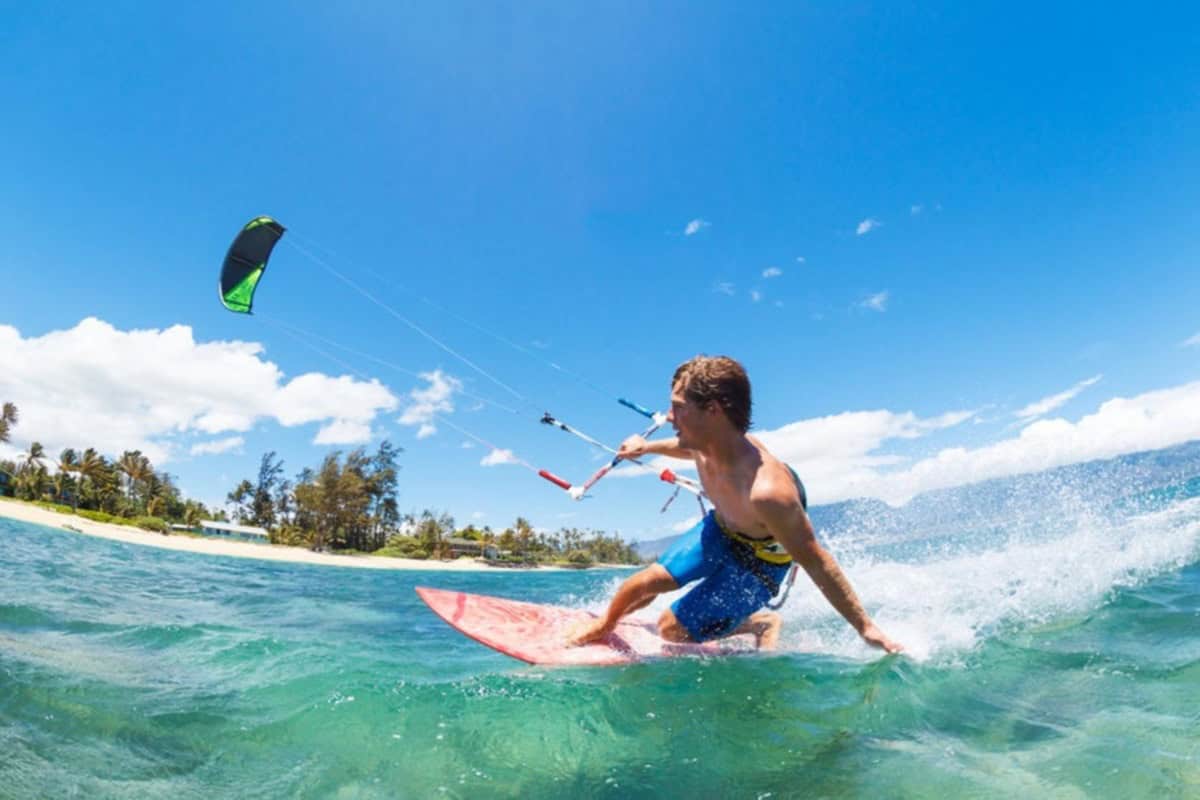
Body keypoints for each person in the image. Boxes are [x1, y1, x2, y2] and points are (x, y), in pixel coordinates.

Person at [569, 355, 903, 654]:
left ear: (713, 410)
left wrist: (865, 627)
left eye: (679, 406)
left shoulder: (768, 492)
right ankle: (605, 625)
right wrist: (646, 447)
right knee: (647, 583)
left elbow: (818, 563)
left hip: (760, 561)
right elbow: (684, 447)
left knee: (671, 630)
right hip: (723, 528)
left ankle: (761, 623)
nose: (670, 416)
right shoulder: (704, 443)